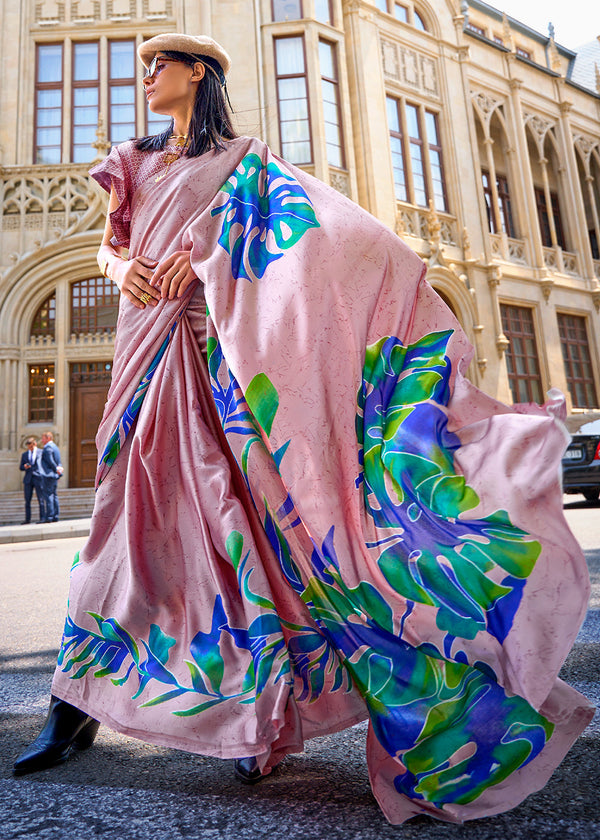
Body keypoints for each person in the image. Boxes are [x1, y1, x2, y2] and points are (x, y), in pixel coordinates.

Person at [13, 33, 594, 825]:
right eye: (145, 64)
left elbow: (318, 240)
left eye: (161, 64)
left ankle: (249, 715)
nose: (147, 75)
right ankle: (73, 709)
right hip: (140, 362)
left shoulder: (248, 162)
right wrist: (124, 271)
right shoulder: (135, 162)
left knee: (248, 541)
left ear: (200, 74)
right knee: (118, 529)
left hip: (212, 365)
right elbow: (108, 246)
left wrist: (209, 256)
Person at [19, 437, 45, 524]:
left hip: (38, 478)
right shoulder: (25, 455)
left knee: (40, 499)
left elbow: (44, 464)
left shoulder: (41, 452)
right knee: (27, 500)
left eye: (31, 447)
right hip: (28, 479)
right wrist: (25, 466)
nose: (30, 448)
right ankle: (27, 519)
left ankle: (42, 517)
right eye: (29, 447)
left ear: (35, 444)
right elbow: (21, 467)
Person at [40, 431, 64, 523]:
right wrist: (58, 472)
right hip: (54, 475)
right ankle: (55, 516)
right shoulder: (55, 447)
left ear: (48, 438)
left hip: (49, 475)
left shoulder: (48, 447)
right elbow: (58, 461)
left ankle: (49, 516)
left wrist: (56, 470)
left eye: (43, 438)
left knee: (49, 495)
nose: (42, 440)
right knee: (54, 495)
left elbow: (51, 461)